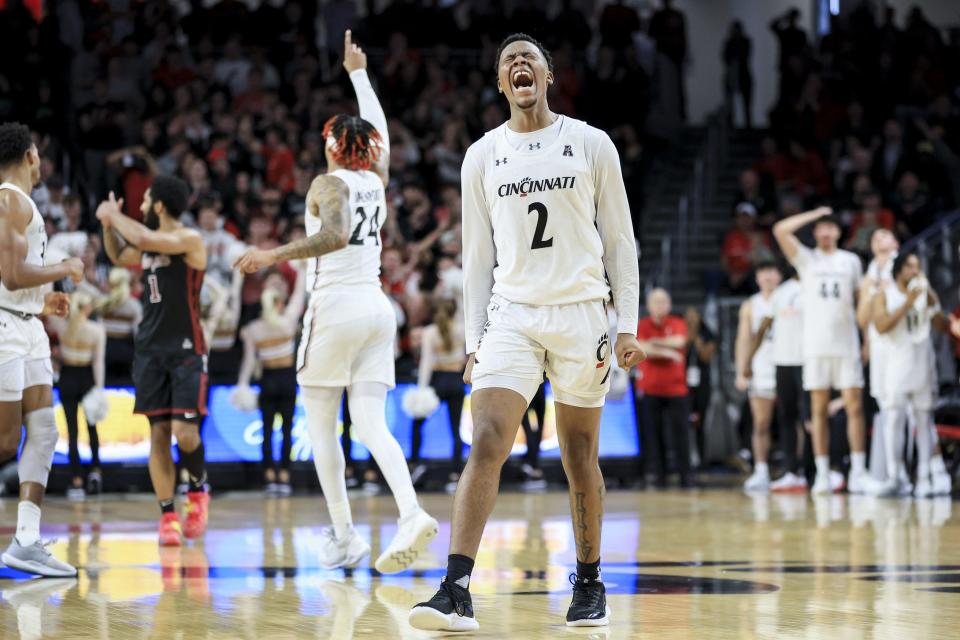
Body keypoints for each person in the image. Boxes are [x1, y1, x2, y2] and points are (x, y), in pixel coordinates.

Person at [409, 33, 642, 632]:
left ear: (548, 76)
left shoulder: (590, 144)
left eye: (530, 59)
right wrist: (472, 340)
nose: (520, 65)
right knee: (487, 438)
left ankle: (589, 583)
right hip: (512, 314)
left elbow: (620, 240)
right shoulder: (482, 155)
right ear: (499, 83)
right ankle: (455, 588)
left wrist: (628, 325)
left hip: (582, 313)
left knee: (579, 455)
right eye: (509, 61)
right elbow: (476, 255)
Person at [234, 31, 438, 575]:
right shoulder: (378, 178)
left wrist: (271, 254)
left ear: (330, 146)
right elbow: (384, 135)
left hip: (336, 307)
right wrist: (359, 75)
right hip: (377, 309)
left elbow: (335, 236)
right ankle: (411, 511)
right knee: (372, 424)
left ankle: (346, 537)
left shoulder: (328, 185)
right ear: (368, 149)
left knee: (323, 428)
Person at [96, 175, 211, 546]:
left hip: (186, 349)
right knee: (158, 435)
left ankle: (197, 489)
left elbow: (143, 239)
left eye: (145, 201)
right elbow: (118, 254)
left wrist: (113, 215)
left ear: (160, 206)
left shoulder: (189, 239)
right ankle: (167, 517)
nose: (141, 207)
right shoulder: (147, 247)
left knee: (185, 433)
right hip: (149, 350)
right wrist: (105, 225)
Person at [0, 122, 82, 577]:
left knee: (45, 430)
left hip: (25, 324)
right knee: (7, 440)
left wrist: (41, 300)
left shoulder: (20, 203)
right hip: (5, 326)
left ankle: (27, 541)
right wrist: (63, 267)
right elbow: (11, 274)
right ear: (30, 155)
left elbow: (12, 280)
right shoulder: (9, 198)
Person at [773, 207, 869, 494]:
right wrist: (814, 213)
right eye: (821, 228)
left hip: (847, 343)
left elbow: (861, 303)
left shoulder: (851, 261)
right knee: (817, 409)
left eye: (831, 228)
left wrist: (866, 341)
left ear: (839, 233)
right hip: (815, 346)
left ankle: (858, 472)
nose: (826, 232)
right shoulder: (806, 259)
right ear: (815, 232)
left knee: (854, 406)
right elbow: (780, 230)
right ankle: (823, 472)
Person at [870, 253, 946, 497]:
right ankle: (896, 476)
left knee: (924, 421)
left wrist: (932, 299)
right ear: (899, 270)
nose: (915, 271)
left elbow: (942, 326)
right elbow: (881, 327)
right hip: (896, 365)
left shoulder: (924, 294)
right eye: (910, 266)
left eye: (917, 267)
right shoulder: (884, 295)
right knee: (894, 421)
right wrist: (907, 302)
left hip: (923, 364)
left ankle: (924, 478)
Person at [237, 266, 305, 495]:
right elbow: (298, 296)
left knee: (267, 430)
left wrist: (242, 385)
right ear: (278, 303)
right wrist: (303, 271)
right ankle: (284, 475)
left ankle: (269, 475)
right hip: (286, 379)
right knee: (286, 429)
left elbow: (248, 362)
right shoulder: (287, 322)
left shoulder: (253, 329)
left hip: (268, 380)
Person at [49, 291, 106, 500]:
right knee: (92, 428)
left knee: (72, 430)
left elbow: (47, 312)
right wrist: (99, 388)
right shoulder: (96, 330)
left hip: (68, 377)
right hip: (87, 377)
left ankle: (76, 480)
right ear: (87, 308)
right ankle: (96, 472)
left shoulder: (62, 326)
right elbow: (99, 361)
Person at [755, 269, 808, 492]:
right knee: (786, 418)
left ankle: (810, 469)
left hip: (808, 360)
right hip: (782, 361)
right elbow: (764, 324)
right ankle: (789, 471)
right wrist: (749, 359)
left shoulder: (813, 287)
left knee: (809, 420)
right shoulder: (782, 292)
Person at [409, 298, 467, 491]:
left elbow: (426, 361)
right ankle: (456, 474)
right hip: (457, 380)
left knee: (417, 422)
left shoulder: (429, 332)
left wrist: (421, 389)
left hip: (438, 380)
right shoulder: (462, 329)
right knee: (456, 428)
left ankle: (415, 464)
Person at [636, 288, 691, 489]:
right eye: (655, 302)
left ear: (669, 304)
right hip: (650, 390)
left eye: (663, 302)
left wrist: (654, 345)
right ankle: (658, 476)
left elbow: (680, 341)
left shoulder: (677, 323)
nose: (659, 306)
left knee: (681, 435)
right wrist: (668, 353)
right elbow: (641, 347)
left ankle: (686, 476)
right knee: (653, 436)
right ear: (648, 305)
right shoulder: (642, 325)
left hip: (677, 390)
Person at [855, 229, 898, 484]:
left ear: (896, 242)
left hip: (903, 345)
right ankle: (885, 472)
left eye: (885, 236)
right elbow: (863, 319)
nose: (880, 241)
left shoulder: (906, 264)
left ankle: (928, 471)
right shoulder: (871, 271)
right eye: (875, 238)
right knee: (883, 405)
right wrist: (867, 344)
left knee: (911, 410)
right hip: (879, 347)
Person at [737, 262, 782, 492]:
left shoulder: (788, 299)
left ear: (779, 275)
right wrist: (741, 370)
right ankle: (761, 470)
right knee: (761, 422)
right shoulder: (750, 305)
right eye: (763, 272)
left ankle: (797, 470)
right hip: (761, 369)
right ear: (757, 277)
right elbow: (743, 339)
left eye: (772, 271)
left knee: (792, 421)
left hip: (786, 364)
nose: (768, 276)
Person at [684, 306, 716, 466]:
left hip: (702, 383)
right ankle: (686, 458)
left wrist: (696, 339)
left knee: (700, 421)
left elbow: (706, 357)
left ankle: (701, 457)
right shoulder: (682, 333)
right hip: (684, 383)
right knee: (684, 421)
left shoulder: (707, 335)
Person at [722, 21, 753, 129]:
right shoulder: (732, 42)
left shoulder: (744, 42)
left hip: (742, 74)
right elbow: (725, 58)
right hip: (734, 74)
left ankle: (746, 124)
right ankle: (732, 123)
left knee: (745, 103)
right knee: (731, 103)